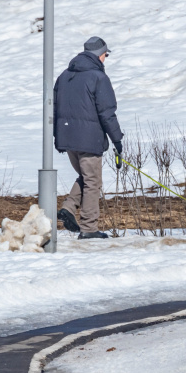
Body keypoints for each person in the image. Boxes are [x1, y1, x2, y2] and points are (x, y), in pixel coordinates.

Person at [54, 36, 123, 240]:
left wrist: (59, 137)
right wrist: (117, 139)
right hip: (89, 140)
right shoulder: (98, 78)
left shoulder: (64, 76)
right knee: (93, 182)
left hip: (68, 139)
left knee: (86, 177)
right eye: (105, 55)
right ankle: (89, 228)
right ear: (99, 56)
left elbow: (55, 109)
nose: (105, 58)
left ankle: (68, 208)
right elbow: (107, 112)